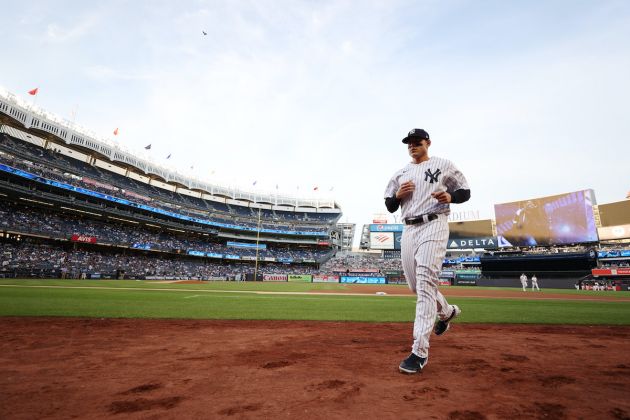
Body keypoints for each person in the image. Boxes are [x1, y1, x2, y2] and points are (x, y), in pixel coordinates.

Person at [384, 128, 470, 374]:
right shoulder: (401, 173)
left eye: (417, 141)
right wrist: (398, 196)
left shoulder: (443, 164)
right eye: (409, 143)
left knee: (424, 287)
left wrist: (450, 197)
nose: (412, 145)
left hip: (434, 224)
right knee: (415, 286)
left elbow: (465, 191)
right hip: (409, 229)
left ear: (427, 143)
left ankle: (419, 352)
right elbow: (389, 204)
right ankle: (448, 312)